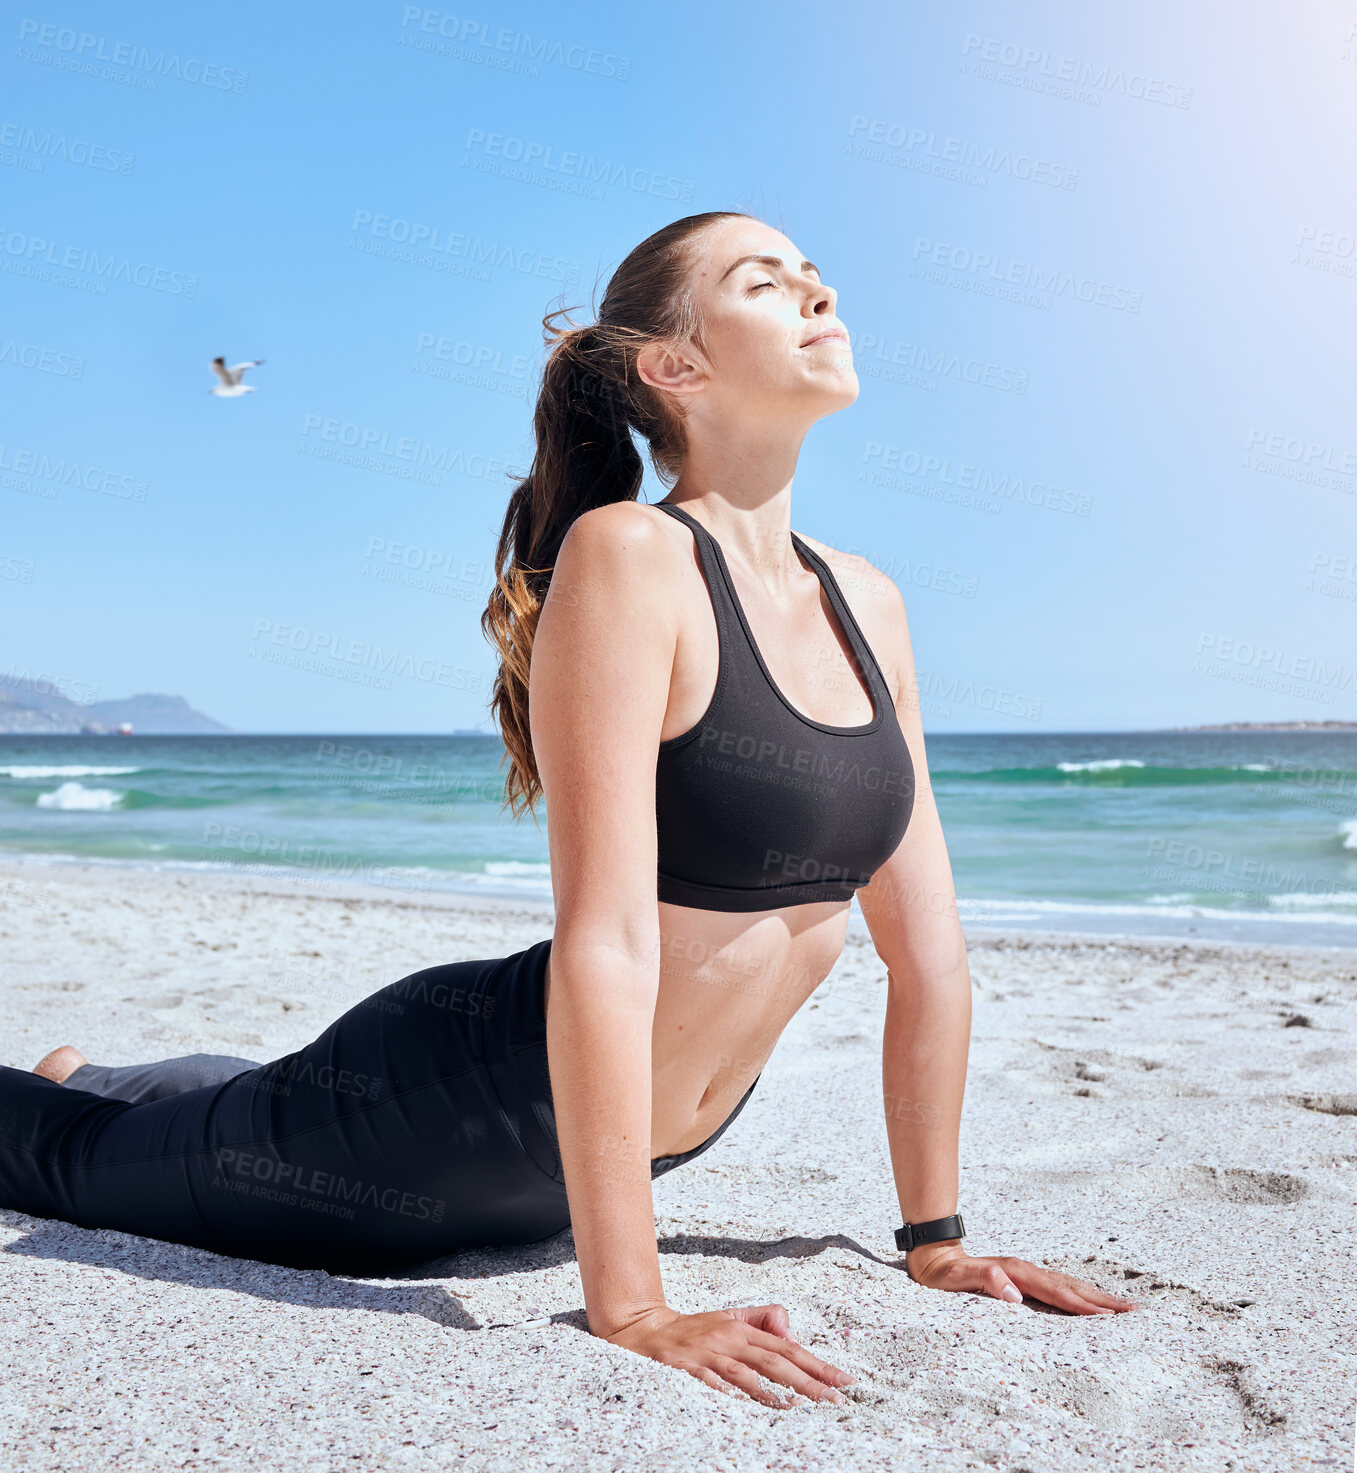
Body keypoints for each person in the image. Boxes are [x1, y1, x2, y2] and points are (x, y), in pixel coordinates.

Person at [0, 211, 1135, 1410]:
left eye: (814, 273)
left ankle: (106, 1069)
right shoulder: (632, 554)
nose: (818, 290)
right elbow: (606, 938)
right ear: (675, 366)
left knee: (220, 1109)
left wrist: (937, 1238)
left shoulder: (868, 602)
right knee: (72, 1163)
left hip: (628, 1147)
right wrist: (630, 1304)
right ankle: (99, 1094)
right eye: (767, 281)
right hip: (450, 1115)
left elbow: (931, 954)